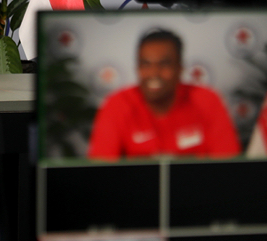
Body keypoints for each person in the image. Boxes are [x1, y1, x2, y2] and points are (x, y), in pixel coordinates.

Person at [87, 29, 240, 158]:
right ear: (137, 68)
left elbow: (227, 167)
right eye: (146, 64)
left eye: (164, 64)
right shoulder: (117, 104)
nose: (154, 73)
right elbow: (101, 171)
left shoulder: (207, 100)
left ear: (180, 68)